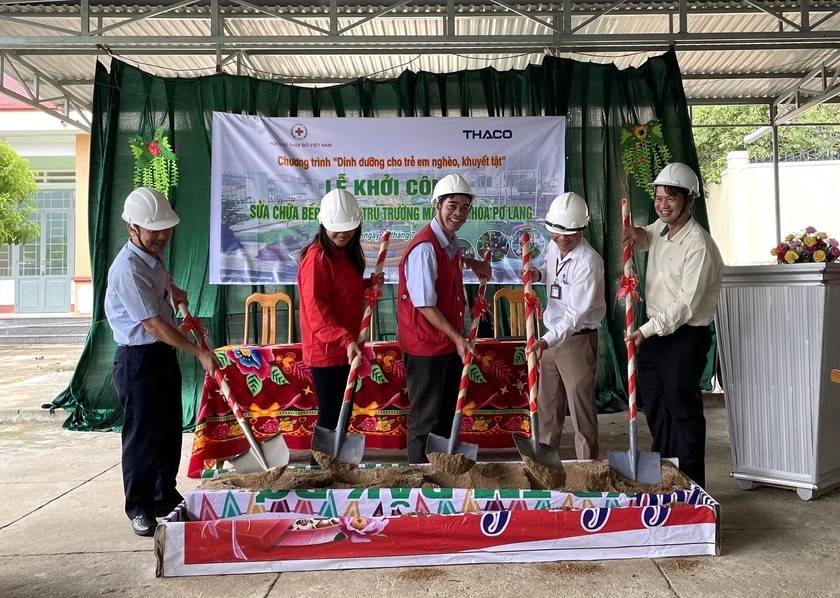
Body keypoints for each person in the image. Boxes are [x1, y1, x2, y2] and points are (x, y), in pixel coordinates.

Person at [105, 187, 220, 537]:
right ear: (132, 228)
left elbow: (161, 286)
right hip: (137, 360)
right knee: (143, 437)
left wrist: (174, 290)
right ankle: (139, 508)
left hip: (161, 355)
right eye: (153, 230)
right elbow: (154, 324)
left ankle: (163, 495)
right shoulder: (127, 269)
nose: (162, 236)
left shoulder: (151, 258)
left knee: (169, 430)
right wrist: (199, 351)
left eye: (166, 228)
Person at [620, 162, 724, 487]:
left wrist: (643, 331)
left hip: (684, 337)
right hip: (655, 334)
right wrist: (640, 233)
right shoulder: (662, 230)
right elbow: (652, 234)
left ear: (689, 201)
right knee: (656, 410)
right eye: (658, 197)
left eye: (671, 198)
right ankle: (663, 478)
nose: (663, 204)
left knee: (684, 414)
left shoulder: (700, 246)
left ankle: (692, 487)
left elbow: (684, 305)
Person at [397, 174, 492, 464]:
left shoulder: (449, 243)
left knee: (447, 411)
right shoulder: (425, 247)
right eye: (452, 205)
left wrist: (475, 263)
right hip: (426, 345)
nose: (459, 213)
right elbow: (424, 303)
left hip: (446, 342)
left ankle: (439, 472)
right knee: (425, 417)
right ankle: (418, 477)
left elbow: (455, 260)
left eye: (465, 207)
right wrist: (458, 338)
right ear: (436, 206)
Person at [298, 190, 380, 462]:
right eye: (336, 229)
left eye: (348, 228)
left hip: (347, 347)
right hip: (327, 350)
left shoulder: (345, 254)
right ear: (323, 224)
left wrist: (369, 287)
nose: (342, 234)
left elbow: (346, 292)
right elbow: (316, 308)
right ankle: (318, 474)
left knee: (342, 415)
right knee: (332, 414)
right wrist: (345, 340)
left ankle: (334, 470)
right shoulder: (316, 257)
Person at [525, 192, 606, 459]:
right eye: (557, 233)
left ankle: (589, 470)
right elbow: (553, 274)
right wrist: (539, 274)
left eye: (569, 234)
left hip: (576, 340)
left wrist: (546, 341)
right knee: (548, 410)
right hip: (549, 338)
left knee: (581, 412)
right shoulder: (552, 247)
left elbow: (574, 316)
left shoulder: (588, 262)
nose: (562, 239)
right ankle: (546, 470)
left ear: (582, 228)